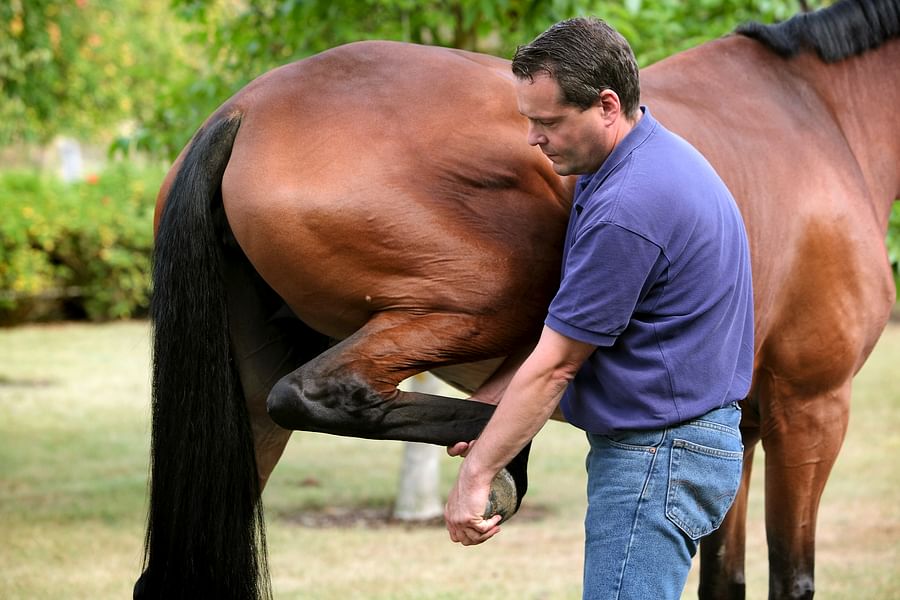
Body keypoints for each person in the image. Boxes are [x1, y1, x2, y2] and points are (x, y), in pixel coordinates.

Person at [443, 16, 754, 600]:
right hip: (670, 444)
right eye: (529, 120)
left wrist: (477, 473)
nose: (533, 138)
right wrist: (492, 406)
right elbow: (576, 323)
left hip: (659, 456)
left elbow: (559, 363)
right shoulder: (635, 159)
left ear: (607, 106)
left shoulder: (628, 207)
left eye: (548, 122)